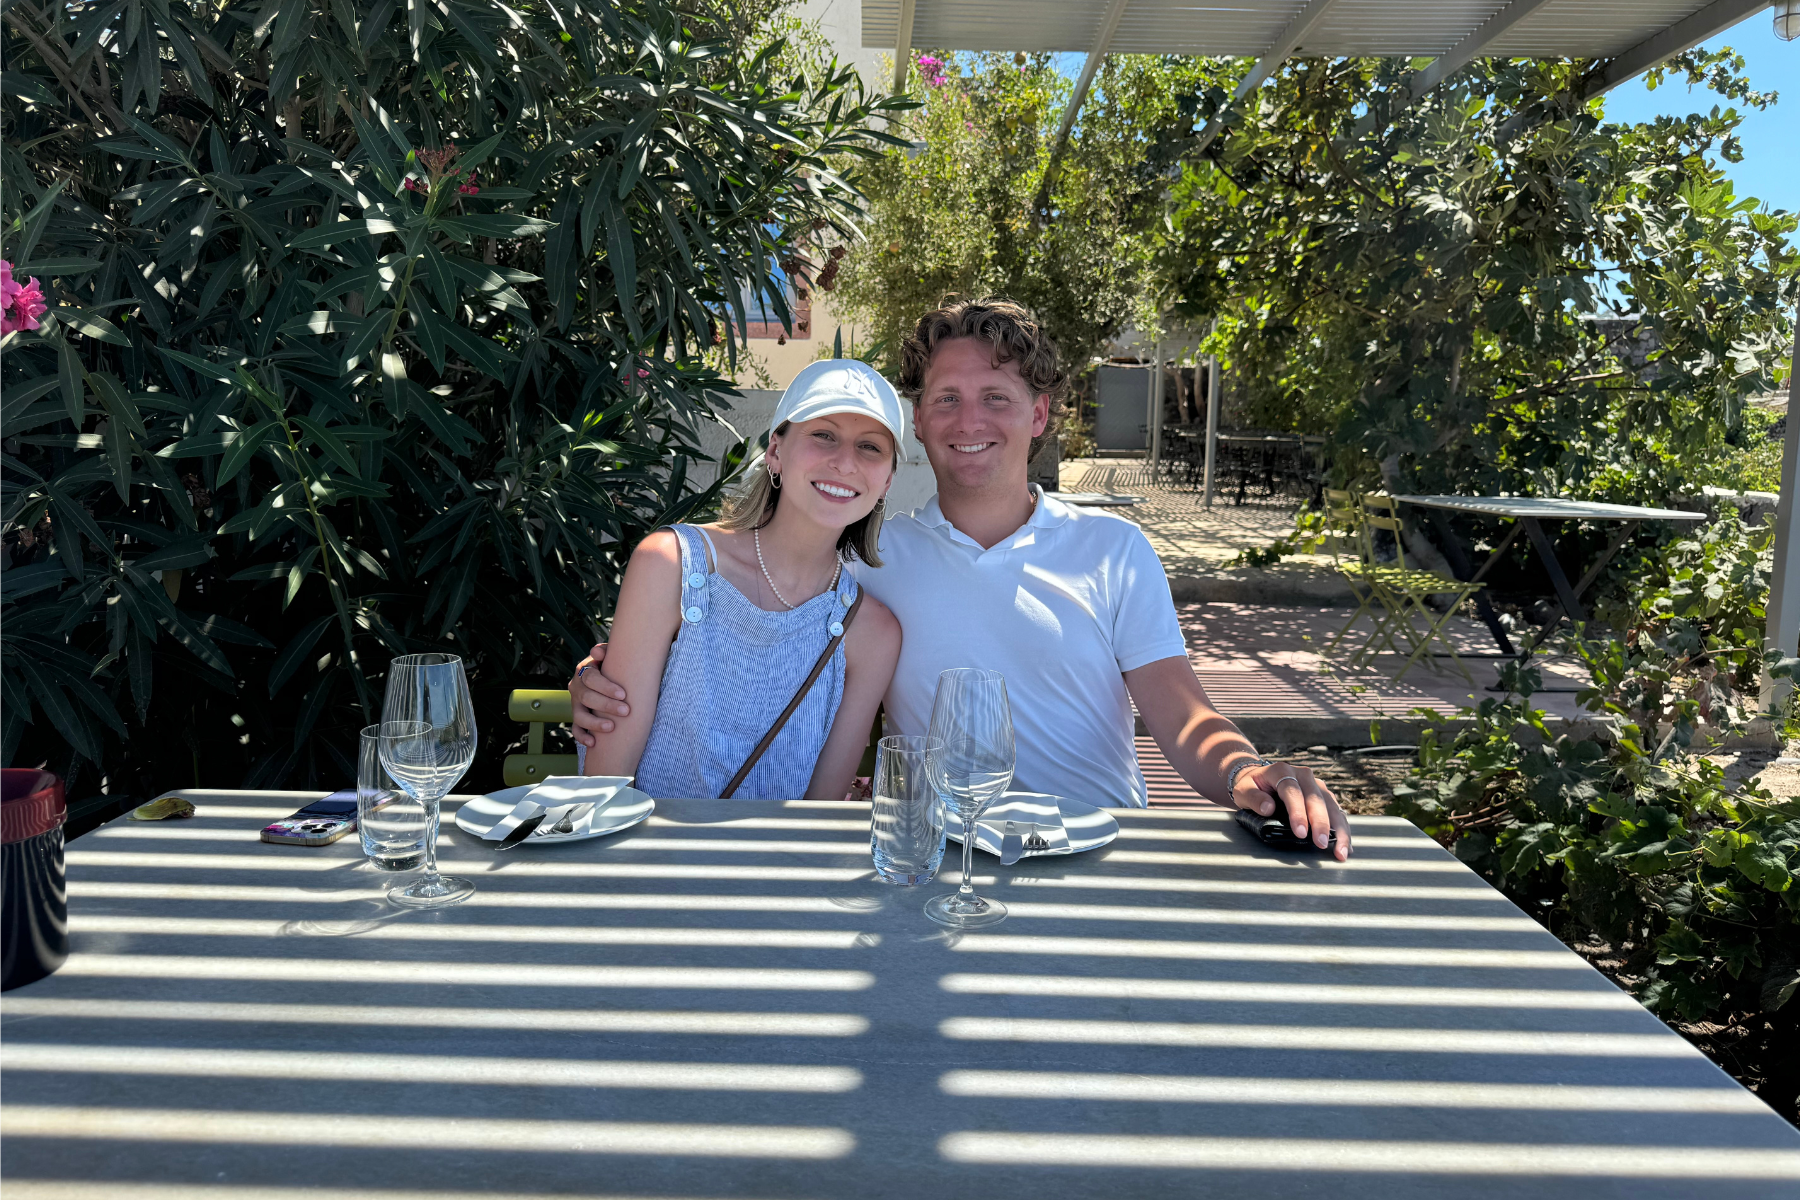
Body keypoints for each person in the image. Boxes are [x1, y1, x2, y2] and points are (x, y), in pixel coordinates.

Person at [572, 299, 1353, 859]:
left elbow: (1184, 718)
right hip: (941, 867)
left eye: (996, 398)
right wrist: (615, 675)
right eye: (946, 398)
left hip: (1094, 859)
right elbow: (751, 631)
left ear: (1039, 416)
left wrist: (1248, 771)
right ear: (919, 421)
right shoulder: (872, 565)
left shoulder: (1113, 550)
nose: (969, 421)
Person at [577, 359, 902, 801]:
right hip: (645, 844)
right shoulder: (672, 565)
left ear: (887, 481)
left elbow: (818, 816)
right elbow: (604, 787)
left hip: (783, 851)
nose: (845, 462)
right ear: (775, 452)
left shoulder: (873, 633)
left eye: (870, 447)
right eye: (823, 435)